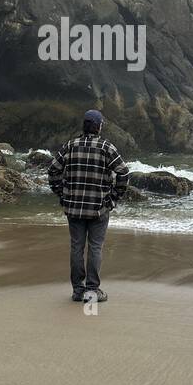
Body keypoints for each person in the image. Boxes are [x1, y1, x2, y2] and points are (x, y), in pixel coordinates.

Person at [48, 109, 130, 303]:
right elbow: (124, 173)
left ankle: (78, 291)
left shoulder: (70, 145)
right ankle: (92, 290)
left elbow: (52, 171)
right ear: (99, 127)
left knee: (76, 247)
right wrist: (113, 198)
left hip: (73, 207)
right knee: (95, 247)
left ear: (84, 126)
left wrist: (62, 193)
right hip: (98, 208)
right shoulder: (106, 147)